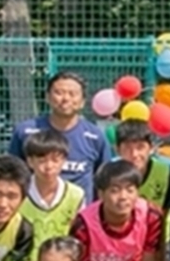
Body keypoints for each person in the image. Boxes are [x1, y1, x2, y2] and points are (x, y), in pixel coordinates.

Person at [8, 70, 111, 198]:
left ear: (83, 101)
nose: (65, 99)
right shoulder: (26, 131)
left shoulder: (95, 136)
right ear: (47, 97)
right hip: (34, 212)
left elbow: (105, 179)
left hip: (78, 213)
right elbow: (12, 174)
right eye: (59, 93)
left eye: (72, 94)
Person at [18, 128, 86, 256]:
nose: (49, 166)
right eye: (42, 160)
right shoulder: (18, 193)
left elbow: (78, 235)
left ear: (64, 161)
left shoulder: (76, 195)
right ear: (30, 162)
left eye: (55, 160)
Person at [113, 120, 170, 217]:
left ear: (151, 148)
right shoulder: (110, 174)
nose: (134, 154)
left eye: (140, 147)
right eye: (127, 148)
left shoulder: (167, 172)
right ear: (117, 150)